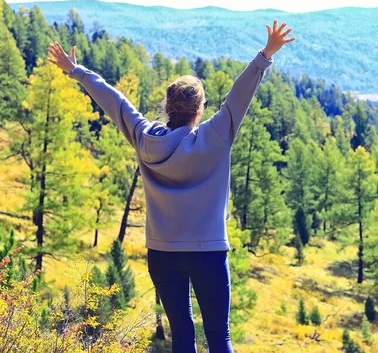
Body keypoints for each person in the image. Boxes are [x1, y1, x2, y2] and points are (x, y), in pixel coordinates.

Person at [47, 20, 295, 353]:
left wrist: (76, 70)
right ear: (201, 109)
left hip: (162, 254)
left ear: (168, 109)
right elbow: (239, 97)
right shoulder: (217, 135)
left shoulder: (144, 138)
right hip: (208, 254)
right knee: (219, 338)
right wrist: (265, 55)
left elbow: (115, 102)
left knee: (182, 336)